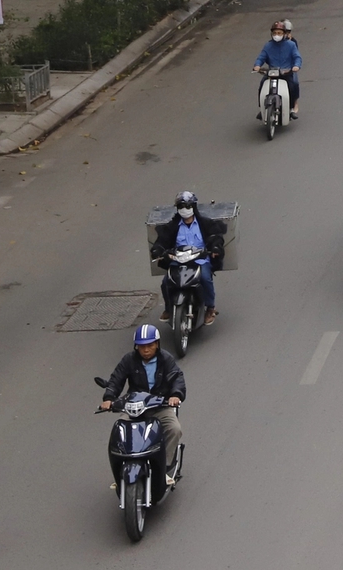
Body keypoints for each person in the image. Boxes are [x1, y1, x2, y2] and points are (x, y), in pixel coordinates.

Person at [101, 325, 185, 482]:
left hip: (160, 405)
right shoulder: (128, 360)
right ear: (136, 347)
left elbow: (177, 378)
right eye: (142, 346)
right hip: (134, 408)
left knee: (174, 429)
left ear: (157, 344)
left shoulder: (166, 359)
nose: (146, 349)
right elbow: (116, 380)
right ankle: (121, 471)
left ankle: (164, 468)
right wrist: (109, 398)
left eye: (150, 345)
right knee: (119, 434)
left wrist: (175, 395)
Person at [150, 190, 226, 323]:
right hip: (178, 260)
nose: (184, 210)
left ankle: (210, 308)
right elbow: (162, 240)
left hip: (200, 260)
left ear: (194, 207)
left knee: (205, 278)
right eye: (181, 207)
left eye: (187, 206)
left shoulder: (205, 224)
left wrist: (215, 248)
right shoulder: (173, 226)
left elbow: (216, 237)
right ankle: (168, 308)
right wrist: (158, 250)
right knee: (166, 282)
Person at [253, 19, 301, 118]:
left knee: (292, 86)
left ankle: (291, 108)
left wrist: (296, 66)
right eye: (275, 33)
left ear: (284, 34)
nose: (277, 35)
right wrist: (257, 65)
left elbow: (297, 57)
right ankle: (262, 109)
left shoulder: (291, 45)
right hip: (272, 72)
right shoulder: (268, 46)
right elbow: (261, 57)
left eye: (279, 33)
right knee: (262, 85)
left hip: (286, 72)